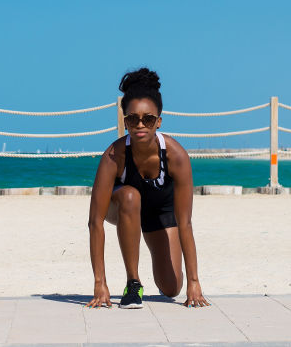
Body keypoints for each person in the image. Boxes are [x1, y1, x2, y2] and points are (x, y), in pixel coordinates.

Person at [87, 68, 208, 309]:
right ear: (125, 122)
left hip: (158, 213)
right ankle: (133, 283)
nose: (140, 124)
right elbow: (95, 222)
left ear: (159, 121)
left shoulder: (176, 156)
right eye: (133, 119)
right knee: (131, 196)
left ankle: (153, 246)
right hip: (123, 208)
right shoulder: (114, 155)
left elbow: (185, 223)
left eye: (148, 119)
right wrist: (99, 283)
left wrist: (194, 281)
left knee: (172, 288)